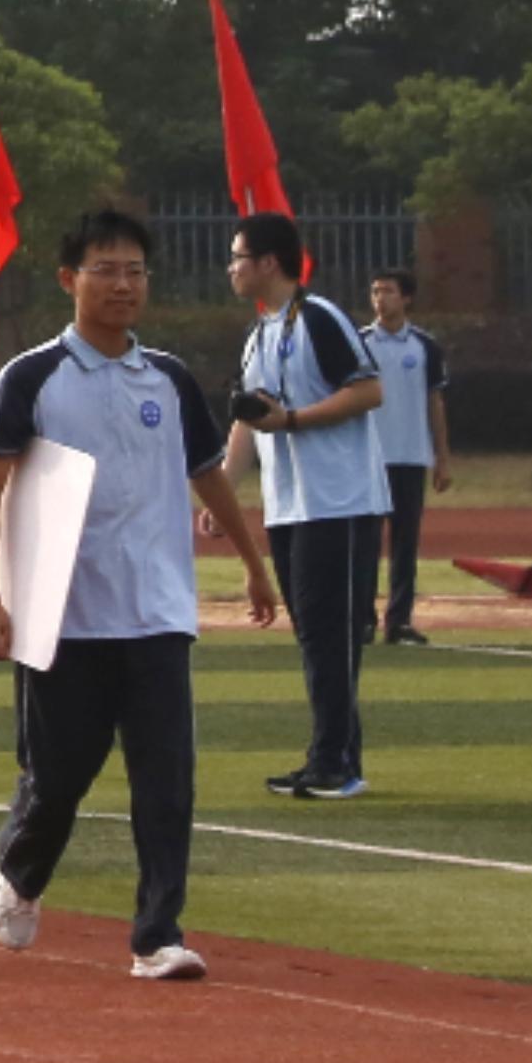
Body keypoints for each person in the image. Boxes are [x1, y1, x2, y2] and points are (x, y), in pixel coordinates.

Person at [0, 206, 280, 982]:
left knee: (166, 778)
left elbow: (208, 471)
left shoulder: (169, 379)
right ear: (68, 279)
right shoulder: (34, 376)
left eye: (135, 271)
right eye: (105, 270)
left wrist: (252, 561)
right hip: (65, 616)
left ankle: (157, 934)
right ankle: (22, 869)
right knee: (60, 777)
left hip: (156, 612)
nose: (122, 285)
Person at [221, 213, 384, 799]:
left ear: (269, 262)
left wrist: (292, 420)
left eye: (239, 257)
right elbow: (249, 422)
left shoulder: (320, 318)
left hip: (339, 501)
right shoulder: (259, 333)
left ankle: (333, 761)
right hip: (289, 505)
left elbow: (368, 390)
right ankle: (336, 754)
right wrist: (225, 489)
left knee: (330, 633)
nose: (232, 268)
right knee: (314, 633)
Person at [360, 270, 450, 645]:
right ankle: (361, 619)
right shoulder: (359, 343)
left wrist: (442, 456)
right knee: (364, 542)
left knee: (405, 543)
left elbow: (434, 401)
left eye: (389, 292)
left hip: (410, 455)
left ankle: (398, 620)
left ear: (406, 298)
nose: (381, 299)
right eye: (376, 291)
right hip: (368, 457)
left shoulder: (424, 346)